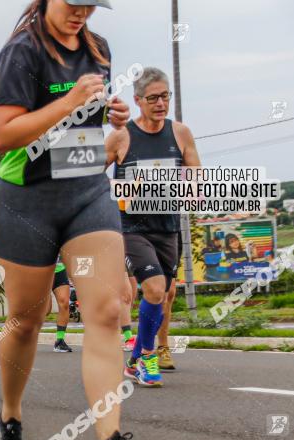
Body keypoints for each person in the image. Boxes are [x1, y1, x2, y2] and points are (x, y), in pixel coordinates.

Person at [0, 0, 156, 440]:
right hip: (26, 199)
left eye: (91, 4)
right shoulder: (21, 53)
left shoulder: (98, 49)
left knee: (105, 310)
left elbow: (85, 124)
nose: (82, 12)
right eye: (73, 3)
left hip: (85, 191)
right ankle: (10, 417)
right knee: (25, 320)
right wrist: (69, 101)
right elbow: (3, 136)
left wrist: (113, 115)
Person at [106, 66, 201, 384]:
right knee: (155, 288)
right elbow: (91, 175)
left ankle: (133, 361)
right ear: (137, 100)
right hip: (132, 227)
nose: (161, 103)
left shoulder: (181, 133)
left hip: (168, 226)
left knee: (164, 292)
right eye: (153, 98)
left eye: (165, 96)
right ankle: (147, 359)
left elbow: (195, 173)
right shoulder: (122, 136)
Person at [51, 257, 73, 352]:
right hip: (40, 269)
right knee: (45, 309)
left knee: (64, 303)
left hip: (59, 268)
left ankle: (59, 341)